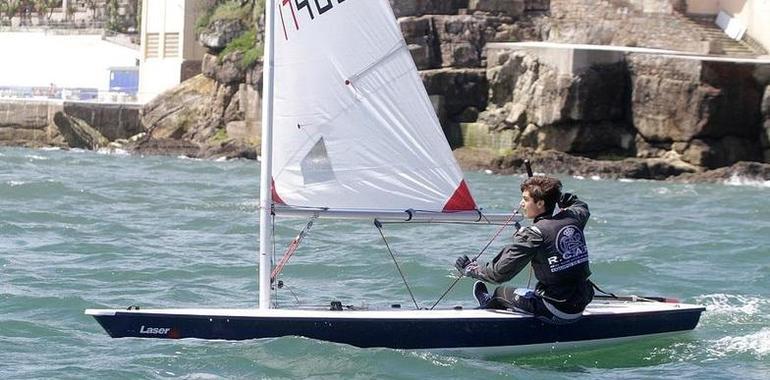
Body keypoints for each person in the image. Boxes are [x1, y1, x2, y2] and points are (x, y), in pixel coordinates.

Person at [455, 176, 594, 323]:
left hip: (556, 309)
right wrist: (563, 198)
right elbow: (581, 206)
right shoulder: (574, 218)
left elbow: (499, 274)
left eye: (526, 199)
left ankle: (486, 306)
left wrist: (470, 269)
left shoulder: (533, 234)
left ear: (540, 203)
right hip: (582, 300)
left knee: (500, 293)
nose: (521, 204)